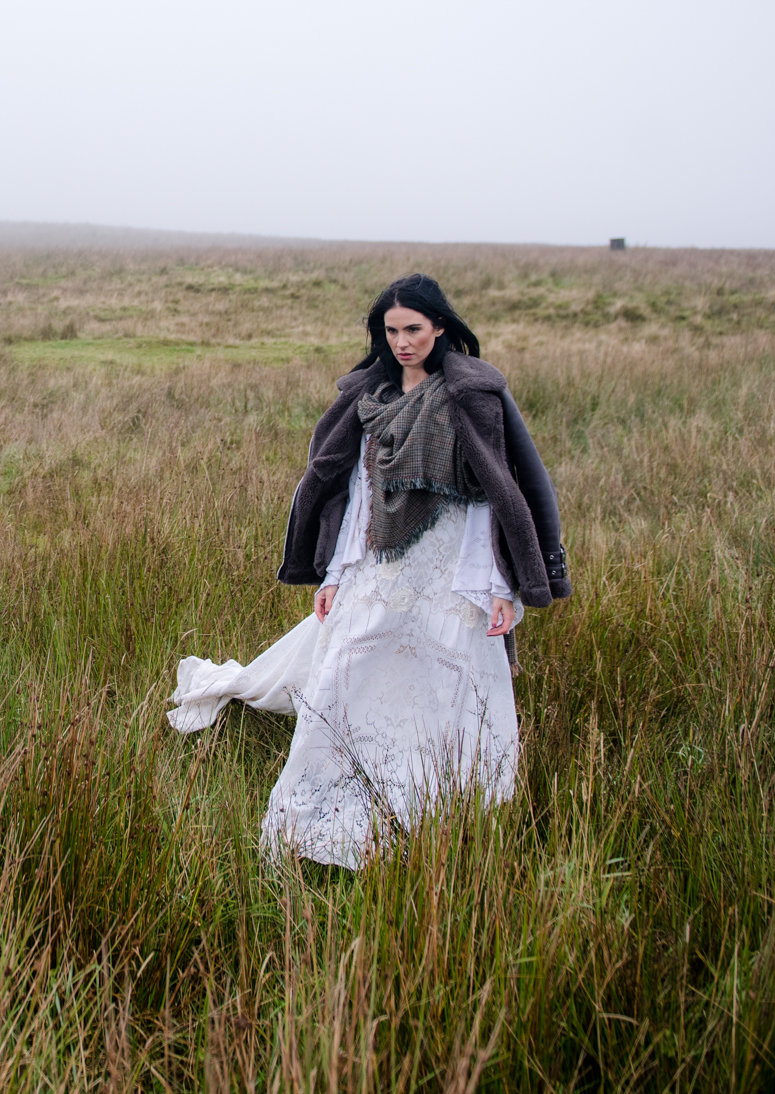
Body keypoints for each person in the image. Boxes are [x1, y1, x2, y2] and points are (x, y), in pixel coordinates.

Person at [166, 274, 570, 868]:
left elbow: (493, 495)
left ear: (439, 328)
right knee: (349, 663)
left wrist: (502, 587)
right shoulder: (370, 397)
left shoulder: (472, 396)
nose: (403, 342)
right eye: (392, 331)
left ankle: (445, 801)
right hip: (380, 562)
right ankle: (325, 800)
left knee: (447, 678)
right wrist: (332, 575)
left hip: (452, 567)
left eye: (414, 329)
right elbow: (357, 492)